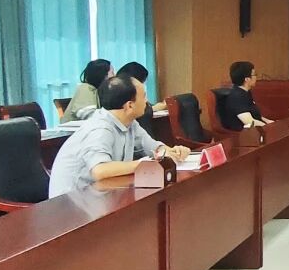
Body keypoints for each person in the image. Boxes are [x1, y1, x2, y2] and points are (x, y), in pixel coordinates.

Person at [48, 74, 190, 197]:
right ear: (129, 105)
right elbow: (100, 170)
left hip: (100, 195)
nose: (147, 101)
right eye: (144, 96)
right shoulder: (100, 129)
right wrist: (143, 164)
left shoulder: (130, 122)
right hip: (72, 203)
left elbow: (153, 147)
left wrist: (171, 152)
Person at [220, 61, 273, 131]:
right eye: (255, 75)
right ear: (247, 79)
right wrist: (270, 128)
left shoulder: (246, 92)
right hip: (242, 134)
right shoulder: (237, 97)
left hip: (254, 131)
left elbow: (256, 116)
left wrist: (270, 122)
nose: (256, 77)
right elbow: (250, 122)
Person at [60, 59, 114, 123]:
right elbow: (87, 114)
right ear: (103, 75)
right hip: (75, 129)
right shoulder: (85, 88)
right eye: (112, 73)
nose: (114, 76)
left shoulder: (98, 91)